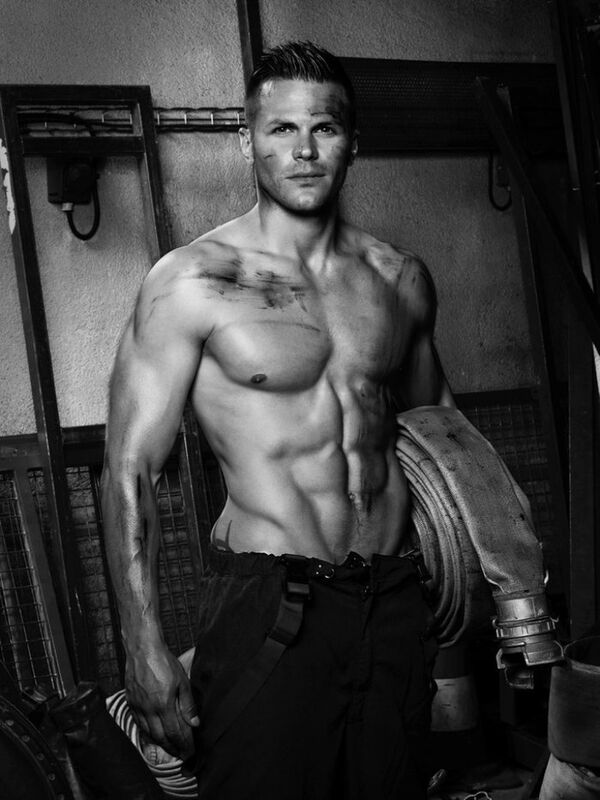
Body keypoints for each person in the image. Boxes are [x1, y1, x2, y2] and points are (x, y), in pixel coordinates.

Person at [101, 41, 455, 799]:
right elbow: (131, 468)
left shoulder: (399, 278)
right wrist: (141, 642)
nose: (303, 150)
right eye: (281, 129)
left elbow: (439, 438)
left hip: (393, 600)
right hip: (271, 605)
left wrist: (482, 590)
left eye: (324, 128)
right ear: (246, 140)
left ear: (352, 142)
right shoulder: (191, 282)